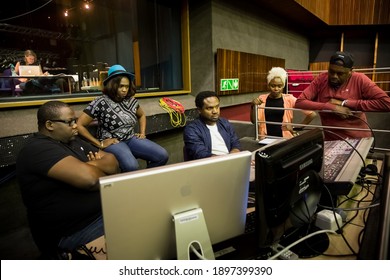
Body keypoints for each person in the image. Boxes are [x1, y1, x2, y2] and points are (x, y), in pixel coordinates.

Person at [16, 100, 120, 258]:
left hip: (105, 213)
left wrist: (85, 165)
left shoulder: (75, 141)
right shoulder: (36, 149)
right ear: (50, 125)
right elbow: (90, 180)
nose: (76, 126)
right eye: (70, 122)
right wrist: (95, 166)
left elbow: (113, 163)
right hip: (76, 230)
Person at [77, 64, 169, 172]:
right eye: (121, 86)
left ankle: (143, 181)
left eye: (127, 86)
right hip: (114, 142)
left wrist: (142, 132)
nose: (125, 90)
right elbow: (80, 125)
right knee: (131, 166)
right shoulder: (100, 102)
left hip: (131, 138)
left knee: (162, 155)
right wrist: (99, 144)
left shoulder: (131, 100)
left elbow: (142, 115)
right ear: (112, 85)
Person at [295, 51, 390, 140]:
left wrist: (345, 103)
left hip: (358, 139)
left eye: (340, 73)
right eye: (331, 71)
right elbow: (299, 102)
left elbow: (387, 103)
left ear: (350, 72)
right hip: (331, 140)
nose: (334, 76)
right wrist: (330, 107)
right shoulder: (321, 79)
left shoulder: (360, 79)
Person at [250, 67, 316, 139]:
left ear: (283, 86)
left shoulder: (289, 99)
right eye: (273, 85)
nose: (276, 89)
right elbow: (254, 121)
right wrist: (253, 106)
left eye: (279, 86)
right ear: (268, 85)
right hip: (265, 138)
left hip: (284, 139)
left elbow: (312, 114)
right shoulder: (262, 98)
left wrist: (297, 128)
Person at [183, 90, 241, 160]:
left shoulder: (225, 123)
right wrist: (225, 160)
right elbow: (200, 153)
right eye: (209, 108)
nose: (215, 111)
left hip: (230, 160)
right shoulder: (192, 129)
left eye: (217, 107)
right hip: (209, 165)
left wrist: (234, 155)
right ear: (199, 110)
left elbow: (235, 143)